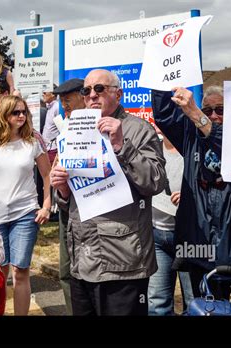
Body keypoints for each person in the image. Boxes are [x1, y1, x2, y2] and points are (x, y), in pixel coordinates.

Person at [51, 69, 166, 316]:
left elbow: (155, 182)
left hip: (122, 261)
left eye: (100, 89)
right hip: (81, 258)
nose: (92, 95)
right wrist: (62, 189)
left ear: (119, 94)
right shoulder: (74, 131)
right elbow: (67, 200)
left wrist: (122, 145)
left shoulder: (138, 129)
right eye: (87, 90)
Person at [151, 85, 231, 309]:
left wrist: (197, 114)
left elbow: (228, 145)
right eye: (208, 110)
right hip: (203, 251)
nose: (213, 115)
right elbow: (165, 115)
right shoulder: (191, 137)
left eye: (220, 109)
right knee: (210, 312)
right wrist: (163, 77)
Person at [0, 95, 51, 315]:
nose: (21, 116)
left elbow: (47, 176)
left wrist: (46, 205)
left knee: (21, 270)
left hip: (25, 213)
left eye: (24, 112)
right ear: (4, 115)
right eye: (16, 112)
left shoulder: (34, 139)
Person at [148, 124, 194, 316]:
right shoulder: (152, 149)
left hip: (190, 239)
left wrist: (191, 198)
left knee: (195, 303)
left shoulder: (193, 149)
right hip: (157, 236)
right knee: (156, 304)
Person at [50, 78, 85, 315]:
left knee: (83, 271)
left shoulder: (96, 127)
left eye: (68, 99)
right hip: (65, 207)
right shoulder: (65, 127)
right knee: (66, 270)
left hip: (87, 210)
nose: (65, 105)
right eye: (62, 101)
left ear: (83, 97)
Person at [42, 85, 60, 165]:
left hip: (53, 149)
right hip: (47, 149)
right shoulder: (50, 107)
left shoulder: (57, 107)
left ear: (53, 94)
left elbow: (61, 128)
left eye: (45, 91)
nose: (43, 93)